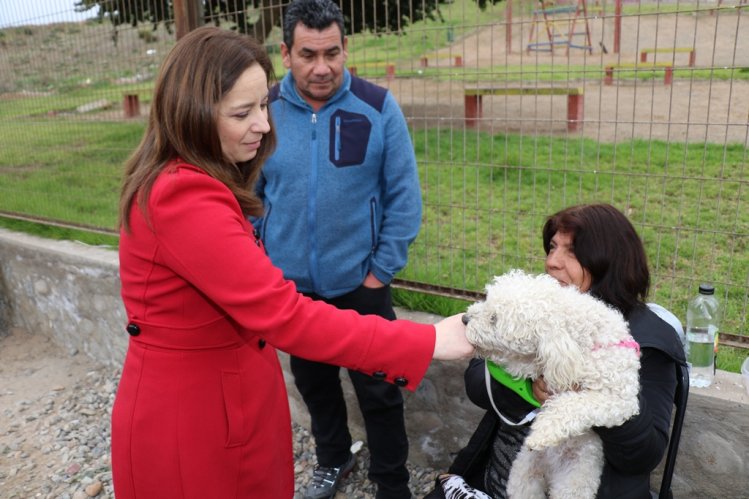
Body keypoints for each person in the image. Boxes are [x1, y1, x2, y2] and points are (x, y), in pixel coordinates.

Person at [112, 26, 473, 499]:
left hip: (223, 399)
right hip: (196, 419)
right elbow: (284, 314)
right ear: (192, 114)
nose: (264, 125)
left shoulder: (194, 178)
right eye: (243, 112)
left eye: (264, 104)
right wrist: (425, 339)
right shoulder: (185, 194)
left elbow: (402, 195)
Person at [252, 1, 422, 498]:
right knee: (315, 384)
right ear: (286, 53)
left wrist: (380, 273)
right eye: (308, 54)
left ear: (346, 48)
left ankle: (392, 482)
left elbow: (404, 197)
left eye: (332, 53)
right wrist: (264, 263)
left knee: (381, 391)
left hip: (362, 285)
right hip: (293, 291)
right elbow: (248, 196)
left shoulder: (376, 106)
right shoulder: (265, 110)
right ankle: (333, 461)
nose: (322, 67)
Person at [426, 203, 687, 499]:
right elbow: (476, 381)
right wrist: (529, 389)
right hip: (496, 481)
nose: (552, 262)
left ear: (611, 262)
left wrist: (599, 396)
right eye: (552, 247)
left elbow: (643, 454)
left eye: (572, 252)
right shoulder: (535, 311)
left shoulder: (645, 342)